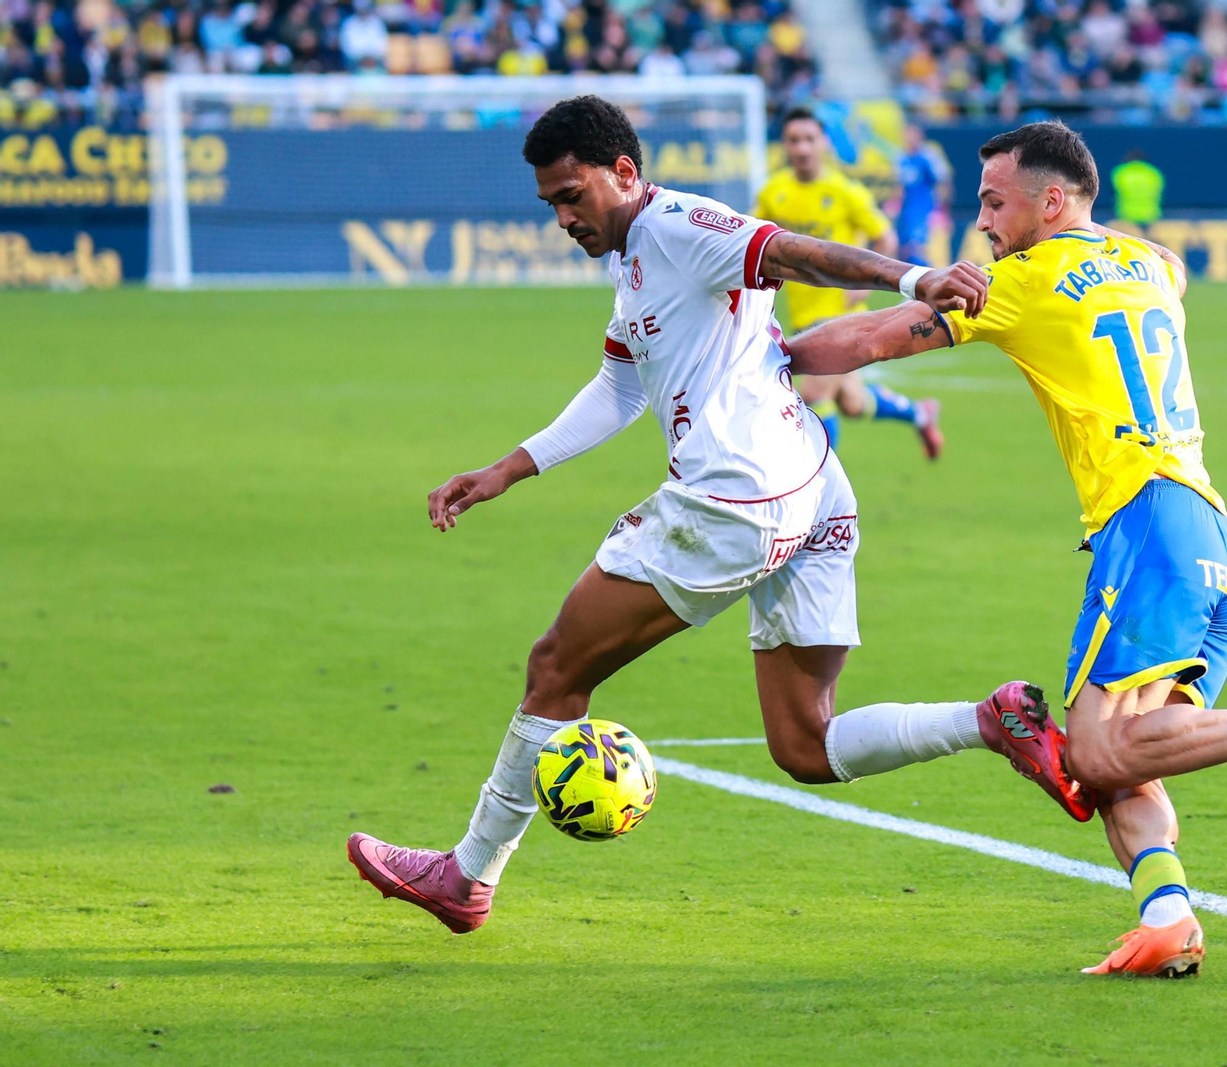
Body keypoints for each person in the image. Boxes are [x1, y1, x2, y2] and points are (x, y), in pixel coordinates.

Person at [346, 97, 1089, 935]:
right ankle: (990, 719)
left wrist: (914, 277)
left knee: (557, 668)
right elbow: (621, 386)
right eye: (550, 203)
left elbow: (791, 253)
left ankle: (466, 874)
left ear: (624, 172)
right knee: (806, 746)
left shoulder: (678, 225)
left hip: (733, 501)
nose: (562, 217)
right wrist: (509, 469)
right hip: (811, 486)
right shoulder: (634, 259)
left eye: (572, 195)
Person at [785, 121, 1227, 978]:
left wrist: (765, 356)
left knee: (1093, 751)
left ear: (1051, 202)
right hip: (1209, 531)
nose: (981, 220)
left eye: (994, 201)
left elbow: (864, 341)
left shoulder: (1018, 280)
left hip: (1149, 526)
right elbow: (1172, 260)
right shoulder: (1151, 265)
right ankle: (1168, 916)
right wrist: (1098, 242)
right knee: (1122, 760)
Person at [755, 107, 944, 458]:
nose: (802, 148)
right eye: (794, 140)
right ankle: (920, 414)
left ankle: (820, 486)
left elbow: (884, 239)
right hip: (801, 312)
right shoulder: (773, 191)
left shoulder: (845, 191)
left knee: (815, 395)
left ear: (823, 143)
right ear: (785, 145)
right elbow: (757, 242)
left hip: (841, 314)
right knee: (853, 403)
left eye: (809, 139)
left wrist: (863, 289)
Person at [895, 122, 952, 266]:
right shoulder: (901, 159)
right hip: (907, 209)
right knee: (906, 247)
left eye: (911, 135)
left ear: (919, 136)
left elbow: (943, 180)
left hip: (925, 208)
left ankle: (928, 276)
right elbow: (900, 187)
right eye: (906, 135)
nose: (908, 138)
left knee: (919, 246)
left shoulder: (928, 157)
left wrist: (943, 207)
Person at [1110, 148, 1163, 225]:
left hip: (1125, 215)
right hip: (1151, 215)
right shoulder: (1153, 173)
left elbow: (1113, 192)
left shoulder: (1121, 172)